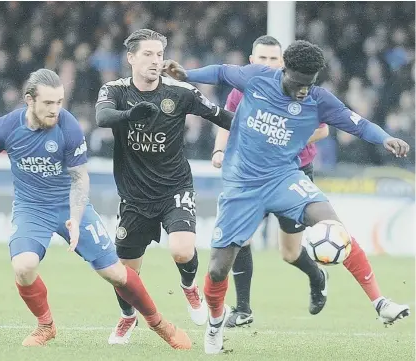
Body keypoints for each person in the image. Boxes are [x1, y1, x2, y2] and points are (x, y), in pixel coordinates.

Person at [163, 40, 411, 354]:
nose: (304, 90)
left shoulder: (319, 100)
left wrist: (387, 138)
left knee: (335, 229)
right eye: (298, 83)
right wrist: (187, 74)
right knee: (217, 269)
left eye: (310, 83)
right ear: (284, 70)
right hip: (243, 185)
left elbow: (358, 124)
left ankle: (380, 302)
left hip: (284, 177)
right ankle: (215, 324)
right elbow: (223, 72)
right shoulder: (256, 79)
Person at [0, 68, 191, 350]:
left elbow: (79, 178)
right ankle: (46, 326)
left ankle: (159, 323)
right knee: (24, 267)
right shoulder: (6, 127)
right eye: (48, 103)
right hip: (31, 208)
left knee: (115, 273)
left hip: (70, 204)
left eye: (59, 102)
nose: (55, 109)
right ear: (29, 100)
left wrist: (74, 219)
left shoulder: (68, 126)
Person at [95, 29, 233, 345]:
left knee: (182, 250)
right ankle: (128, 318)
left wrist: (257, 130)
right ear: (130, 58)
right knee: (124, 273)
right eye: (148, 54)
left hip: (175, 188)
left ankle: (189, 287)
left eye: (160, 54)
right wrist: (130, 115)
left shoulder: (181, 92)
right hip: (134, 196)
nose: (156, 61)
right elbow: (103, 117)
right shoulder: (114, 90)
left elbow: (221, 116)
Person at [212, 35, 329, 328]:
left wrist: (285, 138)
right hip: (251, 176)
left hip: (293, 174)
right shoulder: (243, 90)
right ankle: (243, 309)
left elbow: (324, 130)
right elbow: (229, 122)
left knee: (289, 253)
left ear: (284, 63)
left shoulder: (305, 91)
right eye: (261, 59)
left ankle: (317, 275)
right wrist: (218, 150)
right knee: (241, 238)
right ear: (252, 62)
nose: (267, 64)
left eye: (273, 59)